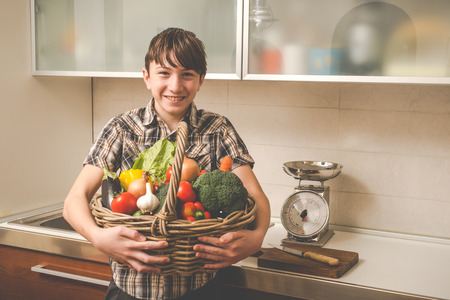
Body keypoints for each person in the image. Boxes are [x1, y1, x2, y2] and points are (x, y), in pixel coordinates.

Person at [63, 27, 271, 300]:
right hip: (129, 290)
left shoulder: (218, 129)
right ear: (146, 77)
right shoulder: (121, 128)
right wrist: (98, 237)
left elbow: (257, 198)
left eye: (187, 74)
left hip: (199, 288)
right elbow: (73, 201)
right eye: (164, 73)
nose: (175, 86)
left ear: (201, 81)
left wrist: (256, 238)